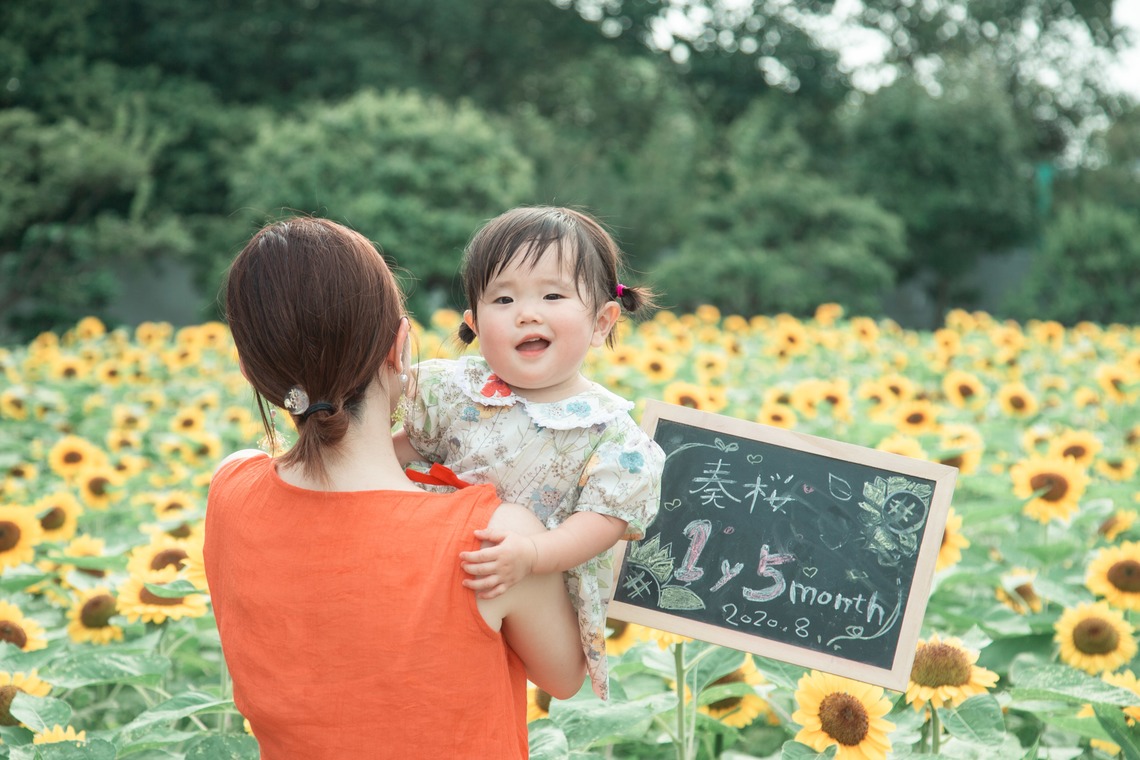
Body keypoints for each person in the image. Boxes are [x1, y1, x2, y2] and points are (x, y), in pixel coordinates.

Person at [203, 217, 585, 759]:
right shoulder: (491, 541)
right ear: (400, 348)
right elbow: (565, 676)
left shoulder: (229, 489)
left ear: (250, 370)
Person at [394, 206, 665, 700]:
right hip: (433, 580)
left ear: (603, 320)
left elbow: (601, 522)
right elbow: (398, 452)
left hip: (540, 590)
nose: (527, 312)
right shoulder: (452, 391)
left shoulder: (609, 434)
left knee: (537, 684)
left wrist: (534, 555)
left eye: (553, 295)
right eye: (503, 298)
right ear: (474, 322)